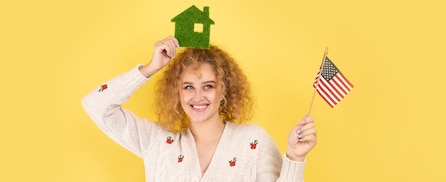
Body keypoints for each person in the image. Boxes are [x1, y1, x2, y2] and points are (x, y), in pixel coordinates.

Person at [82, 36, 317, 181]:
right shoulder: (157, 142)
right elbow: (95, 104)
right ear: (178, 92)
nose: (197, 97)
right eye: (188, 87)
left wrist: (295, 158)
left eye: (208, 86)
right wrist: (150, 68)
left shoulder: (253, 141)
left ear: (224, 90)